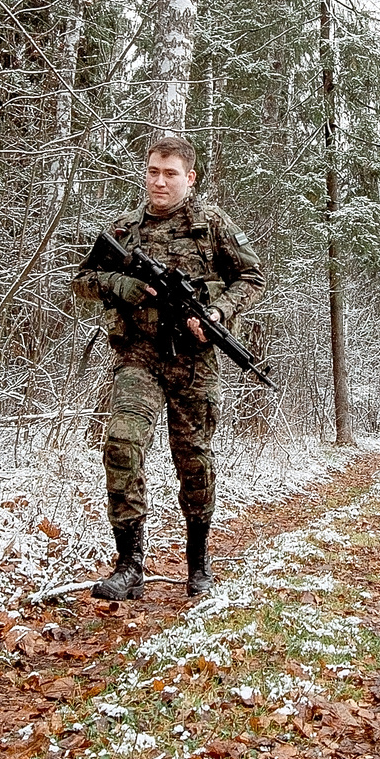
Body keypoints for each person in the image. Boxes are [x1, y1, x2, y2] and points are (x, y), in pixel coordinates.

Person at [72, 134, 267, 601]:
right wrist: (122, 286)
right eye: (153, 172)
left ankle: (198, 565)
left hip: (194, 362)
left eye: (170, 174)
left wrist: (218, 313)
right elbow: (81, 281)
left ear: (190, 178)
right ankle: (129, 565)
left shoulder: (211, 223)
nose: (160, 182)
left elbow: (253, 276)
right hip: (137, 354)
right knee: (121, 445)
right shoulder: (124, 229)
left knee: (194, 460)